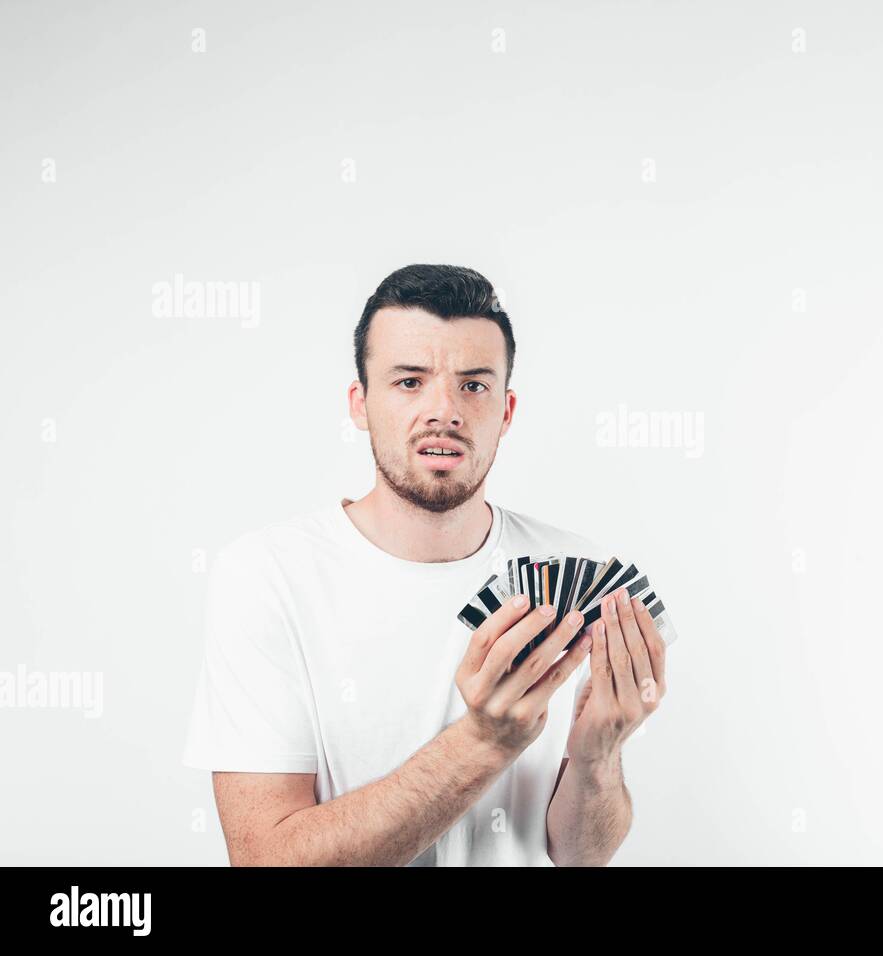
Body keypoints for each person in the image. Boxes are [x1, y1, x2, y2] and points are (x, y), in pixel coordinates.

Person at [181, 264, 670, 866]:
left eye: (474, 385)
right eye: (410, 382)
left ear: (507, 410)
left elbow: (578, 854)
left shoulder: (578, 574)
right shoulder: (266, 576)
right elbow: (265, 859)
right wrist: (483, 741)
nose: (444, 411)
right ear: (360, 404)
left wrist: (599, 755)